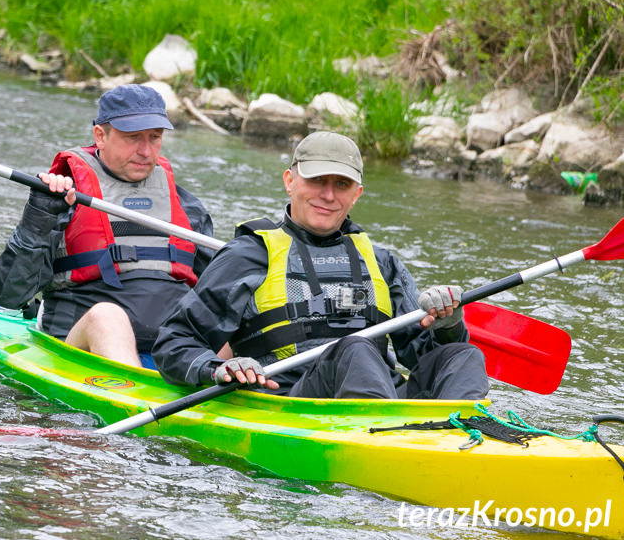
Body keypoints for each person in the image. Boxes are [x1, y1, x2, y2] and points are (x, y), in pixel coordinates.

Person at [152, 131, 489, 400]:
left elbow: (420, 357)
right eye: (317, 181)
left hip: (386, 402)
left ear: (356, 194)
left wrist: (448, 324)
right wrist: (217, 368)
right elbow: (174, 342)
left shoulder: (382, 263)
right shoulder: (248, 255)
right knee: (354, 348)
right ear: (289, 181)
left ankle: (466, 437)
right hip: (295, 401)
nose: (328, 195)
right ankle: (379, 447)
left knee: (463, 356)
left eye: (341, 185)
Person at [0, 84, 215, 368]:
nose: (146, 151)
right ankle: (130, 398)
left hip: (172, 347)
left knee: (225, 318)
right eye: (132, 138)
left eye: (154, 138)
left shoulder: (187, 207)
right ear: (101, 136)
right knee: (107, 316)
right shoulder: (61, 198)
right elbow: (9, 295)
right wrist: (40, 214)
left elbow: (218, 292)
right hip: (83, 345)